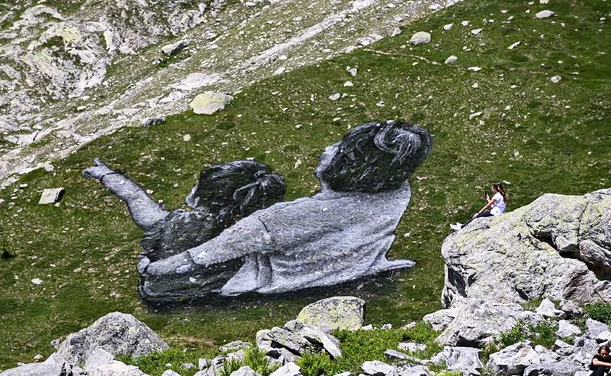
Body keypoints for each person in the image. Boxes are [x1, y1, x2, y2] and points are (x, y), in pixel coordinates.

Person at [138, 121, 434, 301]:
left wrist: (152, 268)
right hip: (344, 266)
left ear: (347, 165)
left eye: (339, 148)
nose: (329, 148)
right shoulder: (395, 192)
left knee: (166, 271)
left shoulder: (283, 220)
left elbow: (202, 256)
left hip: (268, 277)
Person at [83, 158, 286, 262]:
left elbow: (137, 200)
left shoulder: (186, 225)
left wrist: (104, 174)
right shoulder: (251, 228)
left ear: (200, 195)